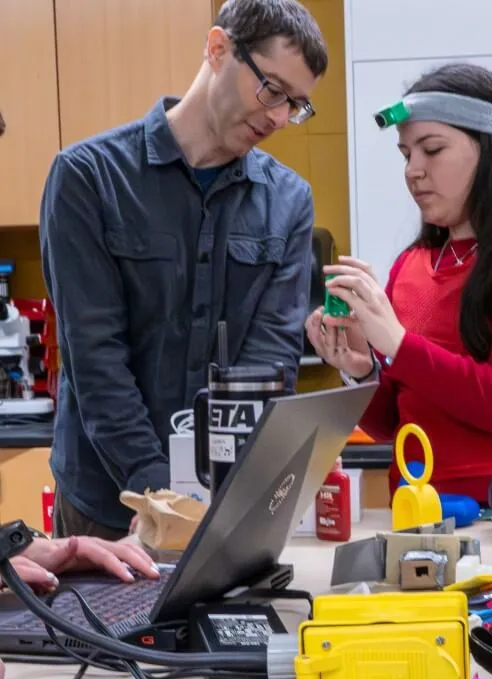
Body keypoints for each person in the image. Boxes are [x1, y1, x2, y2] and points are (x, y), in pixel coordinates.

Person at [39, 0, 327, 543]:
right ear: (218, 49)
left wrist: (231, 500)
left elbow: (270, 362)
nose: (278, 118)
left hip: (225, 508)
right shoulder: (88, 178)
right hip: (108, 508)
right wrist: (161, 494)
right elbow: (96, 357)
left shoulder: (289, 200)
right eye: (272, 90)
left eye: (296, 105)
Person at [307, 64, 492, 506]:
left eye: (432, 149)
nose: (413, 171)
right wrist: (361, 369)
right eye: (406, 154)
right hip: (419, 513)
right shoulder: (411, 264)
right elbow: (396, 423)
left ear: (487, 148)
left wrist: (399, 345)